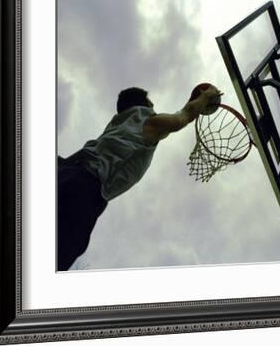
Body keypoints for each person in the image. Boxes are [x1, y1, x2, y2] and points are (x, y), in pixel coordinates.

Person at [57, 85, 221, 271]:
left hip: (66, 175)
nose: (154, 108)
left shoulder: (119, 124)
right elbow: (183, 117)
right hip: (85, 190)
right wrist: (206, 97)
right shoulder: (147, 121)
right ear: (145, 105)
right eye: (152, 104)